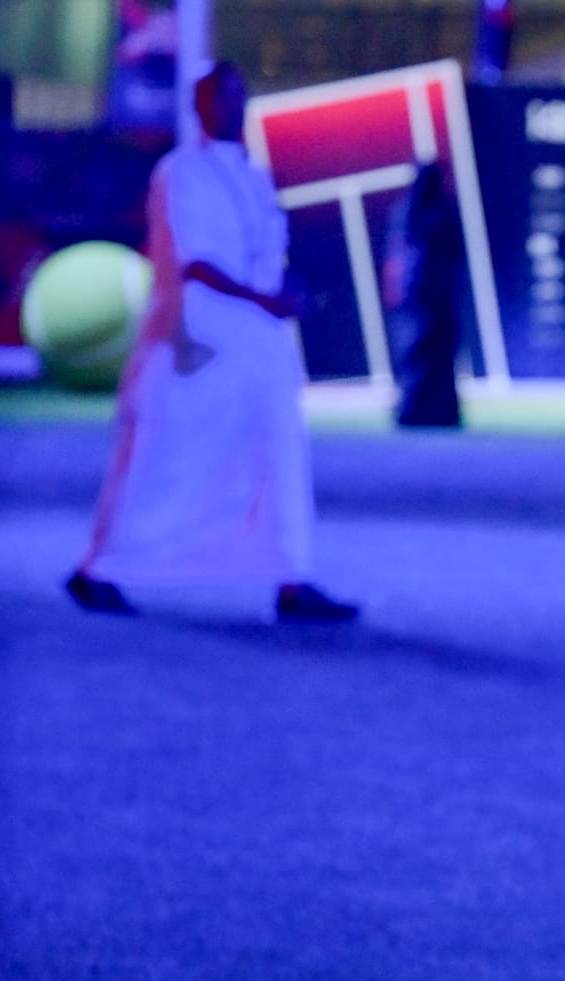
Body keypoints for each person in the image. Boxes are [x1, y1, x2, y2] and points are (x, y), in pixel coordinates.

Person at [65, 62, 357, 623]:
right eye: (222, 97)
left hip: (260, 342)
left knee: (279, 455)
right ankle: (98, 568)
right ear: (200, 107)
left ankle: (291, 576)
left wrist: (281, 293)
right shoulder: (181, 172)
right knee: (164, 460)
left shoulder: (253, 173)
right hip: (196, 340)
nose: (234, 106)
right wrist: (262, 298)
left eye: (240, 95)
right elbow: (195, 262)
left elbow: (262, 253)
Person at [380, 161, 465, 428]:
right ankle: (415, 410)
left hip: (431, 300)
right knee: (416, 356)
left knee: (431, 357)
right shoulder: (414, 213)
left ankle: (432, 412)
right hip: (420, 301)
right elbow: (397, 256)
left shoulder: (431, 212)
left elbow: (452, 257)